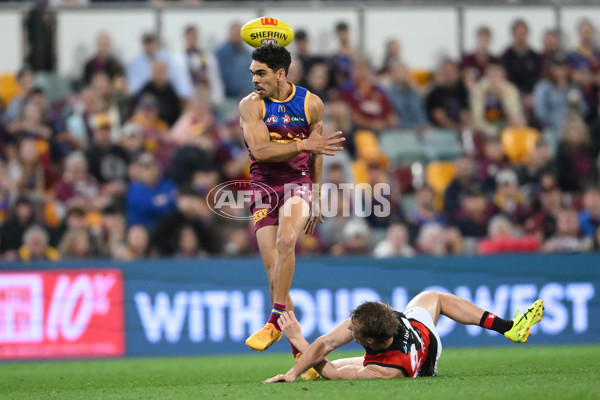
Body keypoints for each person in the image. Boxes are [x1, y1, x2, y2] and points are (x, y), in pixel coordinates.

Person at [239, 44, 345, 359]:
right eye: (253, 73)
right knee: (276, 273)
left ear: (281, 73)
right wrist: (303, 143)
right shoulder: (250, 105)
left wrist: (316, 195)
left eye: (261, 73)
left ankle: (274, 321)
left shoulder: (311, 104)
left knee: (287, 241)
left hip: (296, 184)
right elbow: (260, 151)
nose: (255, 80)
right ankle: (300, 351)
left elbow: (317, 153)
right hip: (262, 187)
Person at [264, 291, 544, 382]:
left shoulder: (387, 369)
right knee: (434, 297)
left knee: (333, 366)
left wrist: (298, 340)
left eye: (356, 334)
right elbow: (325, 343)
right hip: (420, 329)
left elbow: (335, 373)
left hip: (425, 359)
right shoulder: (386, 315)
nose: (352, 332)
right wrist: (293, 372)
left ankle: (309, 365)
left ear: (371, 343)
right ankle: (508, 327)